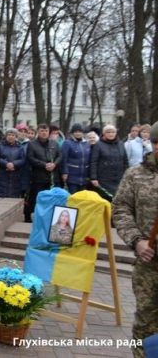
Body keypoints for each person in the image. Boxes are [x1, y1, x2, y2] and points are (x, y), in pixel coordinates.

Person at [112, 120, 158, 358]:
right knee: (146, 319)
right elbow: (120, 208)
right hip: (149, 262)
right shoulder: (136, 174)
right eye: (157, 142)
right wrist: (136, 240)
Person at [26, 124, 63, 223]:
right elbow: (30, 158)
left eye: (46, 131)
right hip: (39, 177)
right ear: (38, 131)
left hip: (53, 177)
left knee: (54, 199)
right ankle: (37, 218)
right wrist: (44, 165)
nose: (44, 133)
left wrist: (54, 164)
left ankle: (52, 218)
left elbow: (60, 156)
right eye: (42, 131)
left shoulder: (54, 143)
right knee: (39, 199)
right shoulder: (32, 144)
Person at [89, 124, 128, 200]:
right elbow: (94, 162)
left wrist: (126, 175)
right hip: (104, 179)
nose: (111, 134)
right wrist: (94, 178)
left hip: (118, 178)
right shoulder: (98, 145)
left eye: (113, 132)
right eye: (108, 132)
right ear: (104, 133)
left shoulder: (121, 144)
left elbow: (125, 161)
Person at [0, 128, 27, 198]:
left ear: (16, 137)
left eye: (13, 135)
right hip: (0, 175)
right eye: (9, 135)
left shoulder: (20, 148)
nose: (11, 136)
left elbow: (23, 159)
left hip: (15, 176)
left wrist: (14, 164)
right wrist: (6, 164)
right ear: (6, 136)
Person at [61, 124, 91, 194]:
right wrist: (64, 172)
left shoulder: (87, 144)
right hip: (72, 176)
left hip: (84, 177)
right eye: (76, 132)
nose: (78, 134)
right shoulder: (67, 143)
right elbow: (64, 158)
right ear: (72, 133)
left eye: (80, 132)